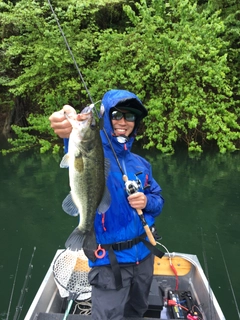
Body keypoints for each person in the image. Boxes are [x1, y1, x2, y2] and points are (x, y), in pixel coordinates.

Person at [49, 89, 164, 320]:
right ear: (106, 118)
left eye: (130, 116)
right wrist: (66, 123)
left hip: (144, 257)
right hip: (109, 262)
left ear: (136, 122)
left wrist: (147, 201)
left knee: (137, 311)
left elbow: (158, 200)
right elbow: (74, 138)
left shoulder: (141, 163)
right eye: (117, 115)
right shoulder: (92, 146)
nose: (123, 121)